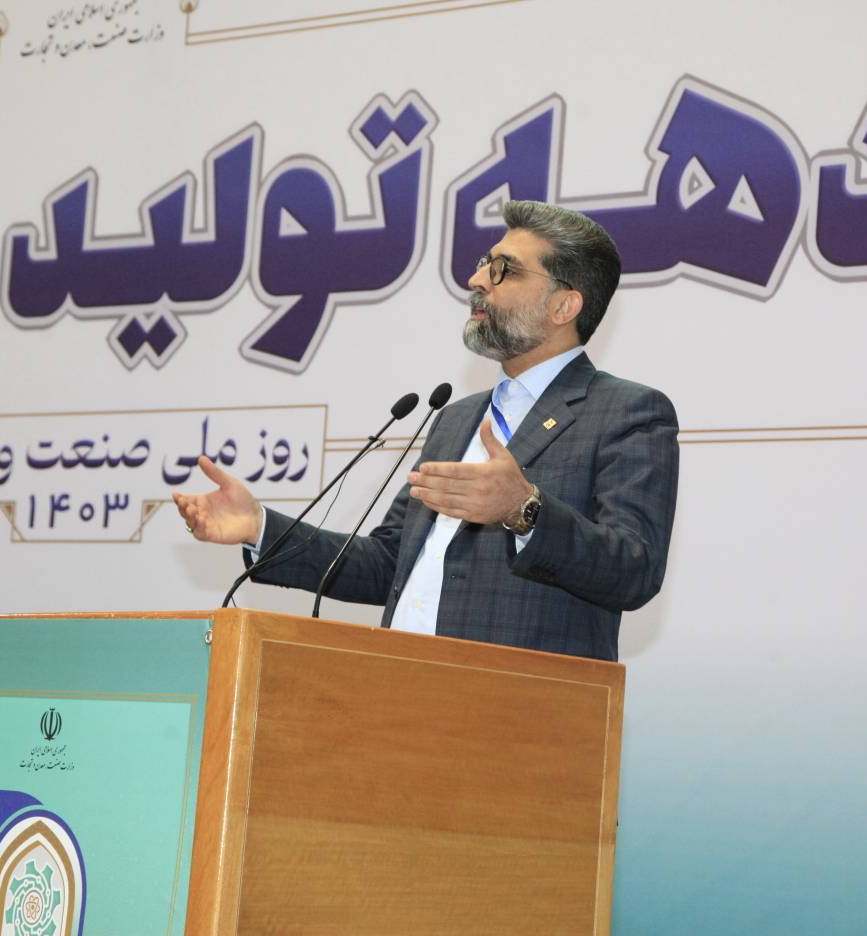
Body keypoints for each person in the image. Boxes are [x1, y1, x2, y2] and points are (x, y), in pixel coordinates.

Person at [173, 200, 679, 661]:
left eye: (503, 270)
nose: (477, 280)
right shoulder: (456, 418)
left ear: (563, 306)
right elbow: (387, 563)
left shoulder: (627, 413)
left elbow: (634, 571)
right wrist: (260, 527)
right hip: (403, 691)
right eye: (484, 263)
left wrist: (525, 509)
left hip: (519, 709)